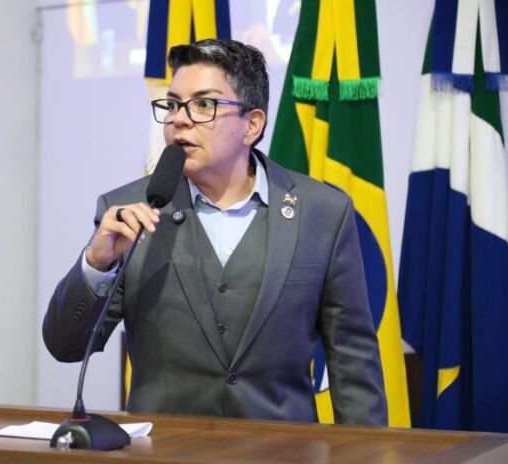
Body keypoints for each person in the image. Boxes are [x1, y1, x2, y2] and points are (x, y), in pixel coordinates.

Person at [43, 39, 387, 425]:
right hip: (165, 448)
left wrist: (365, 449)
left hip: (284, 448)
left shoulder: (322, 213)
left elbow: (353, 364)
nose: (180, 119)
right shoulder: (127, 212)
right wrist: (96, 263)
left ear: (252, 125)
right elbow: (65, 345)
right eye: (173, 104)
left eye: (203, 104)